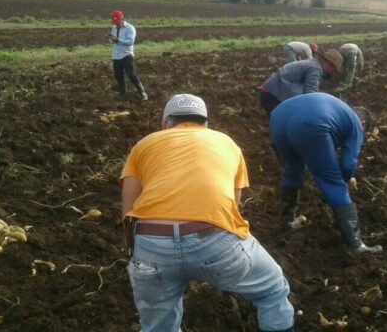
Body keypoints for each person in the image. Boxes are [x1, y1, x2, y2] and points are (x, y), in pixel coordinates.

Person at [120, 94, 294, 332]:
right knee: (273, 289)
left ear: (165, 125)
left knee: (158, 326)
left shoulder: (145, 144)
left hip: (152, 244)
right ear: (206, 124)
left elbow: (129, 210)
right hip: (214, 238)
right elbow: (233, 206)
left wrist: (136, 256)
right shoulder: (227, 142)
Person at [270, 92, 383, 254]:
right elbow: (348, 162)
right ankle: (356, 244)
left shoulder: (338, 109)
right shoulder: (356, 123)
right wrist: (347, 179)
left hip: (278, 118)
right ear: (363, 123)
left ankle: (287, 222)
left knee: (293, 168)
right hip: (310, 124)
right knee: (333, 182)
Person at [259, 49, 344, 117]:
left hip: (271, 90)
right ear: (329, 64)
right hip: (273, 95)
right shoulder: (315, 69)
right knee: (284, 121)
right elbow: (310, 94)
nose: (332, 73)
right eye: (333, 70)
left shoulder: (313, 63)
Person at [108, 10, 148, 100]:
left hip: (127, 54)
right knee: (119, 76)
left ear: (122, 19)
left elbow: (130, 42)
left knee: (131, 75)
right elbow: (111, 41)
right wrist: (111, 39)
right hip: (116, 55)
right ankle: (123, 94)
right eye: (114, 22)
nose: (116, 24)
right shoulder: (114, 28)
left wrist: (118, 40)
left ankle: (143, 93)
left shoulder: (130, 28)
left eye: (117, 22)